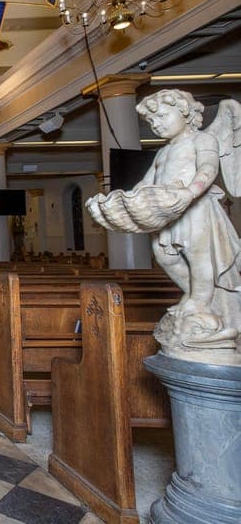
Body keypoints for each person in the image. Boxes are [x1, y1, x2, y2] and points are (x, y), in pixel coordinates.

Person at [87, 90, 240, 352]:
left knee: (199, 257)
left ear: (186, 113)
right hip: (168, 214)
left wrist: (190, 192)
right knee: (164, 255)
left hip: (195, 210)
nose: (157, 125)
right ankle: (192, 295)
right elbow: (145, 183)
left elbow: (208, 168)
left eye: (162, 117)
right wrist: (123, 202)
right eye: (152, 122)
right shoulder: (162, 153)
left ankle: (201, 303)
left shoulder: (203, 140)